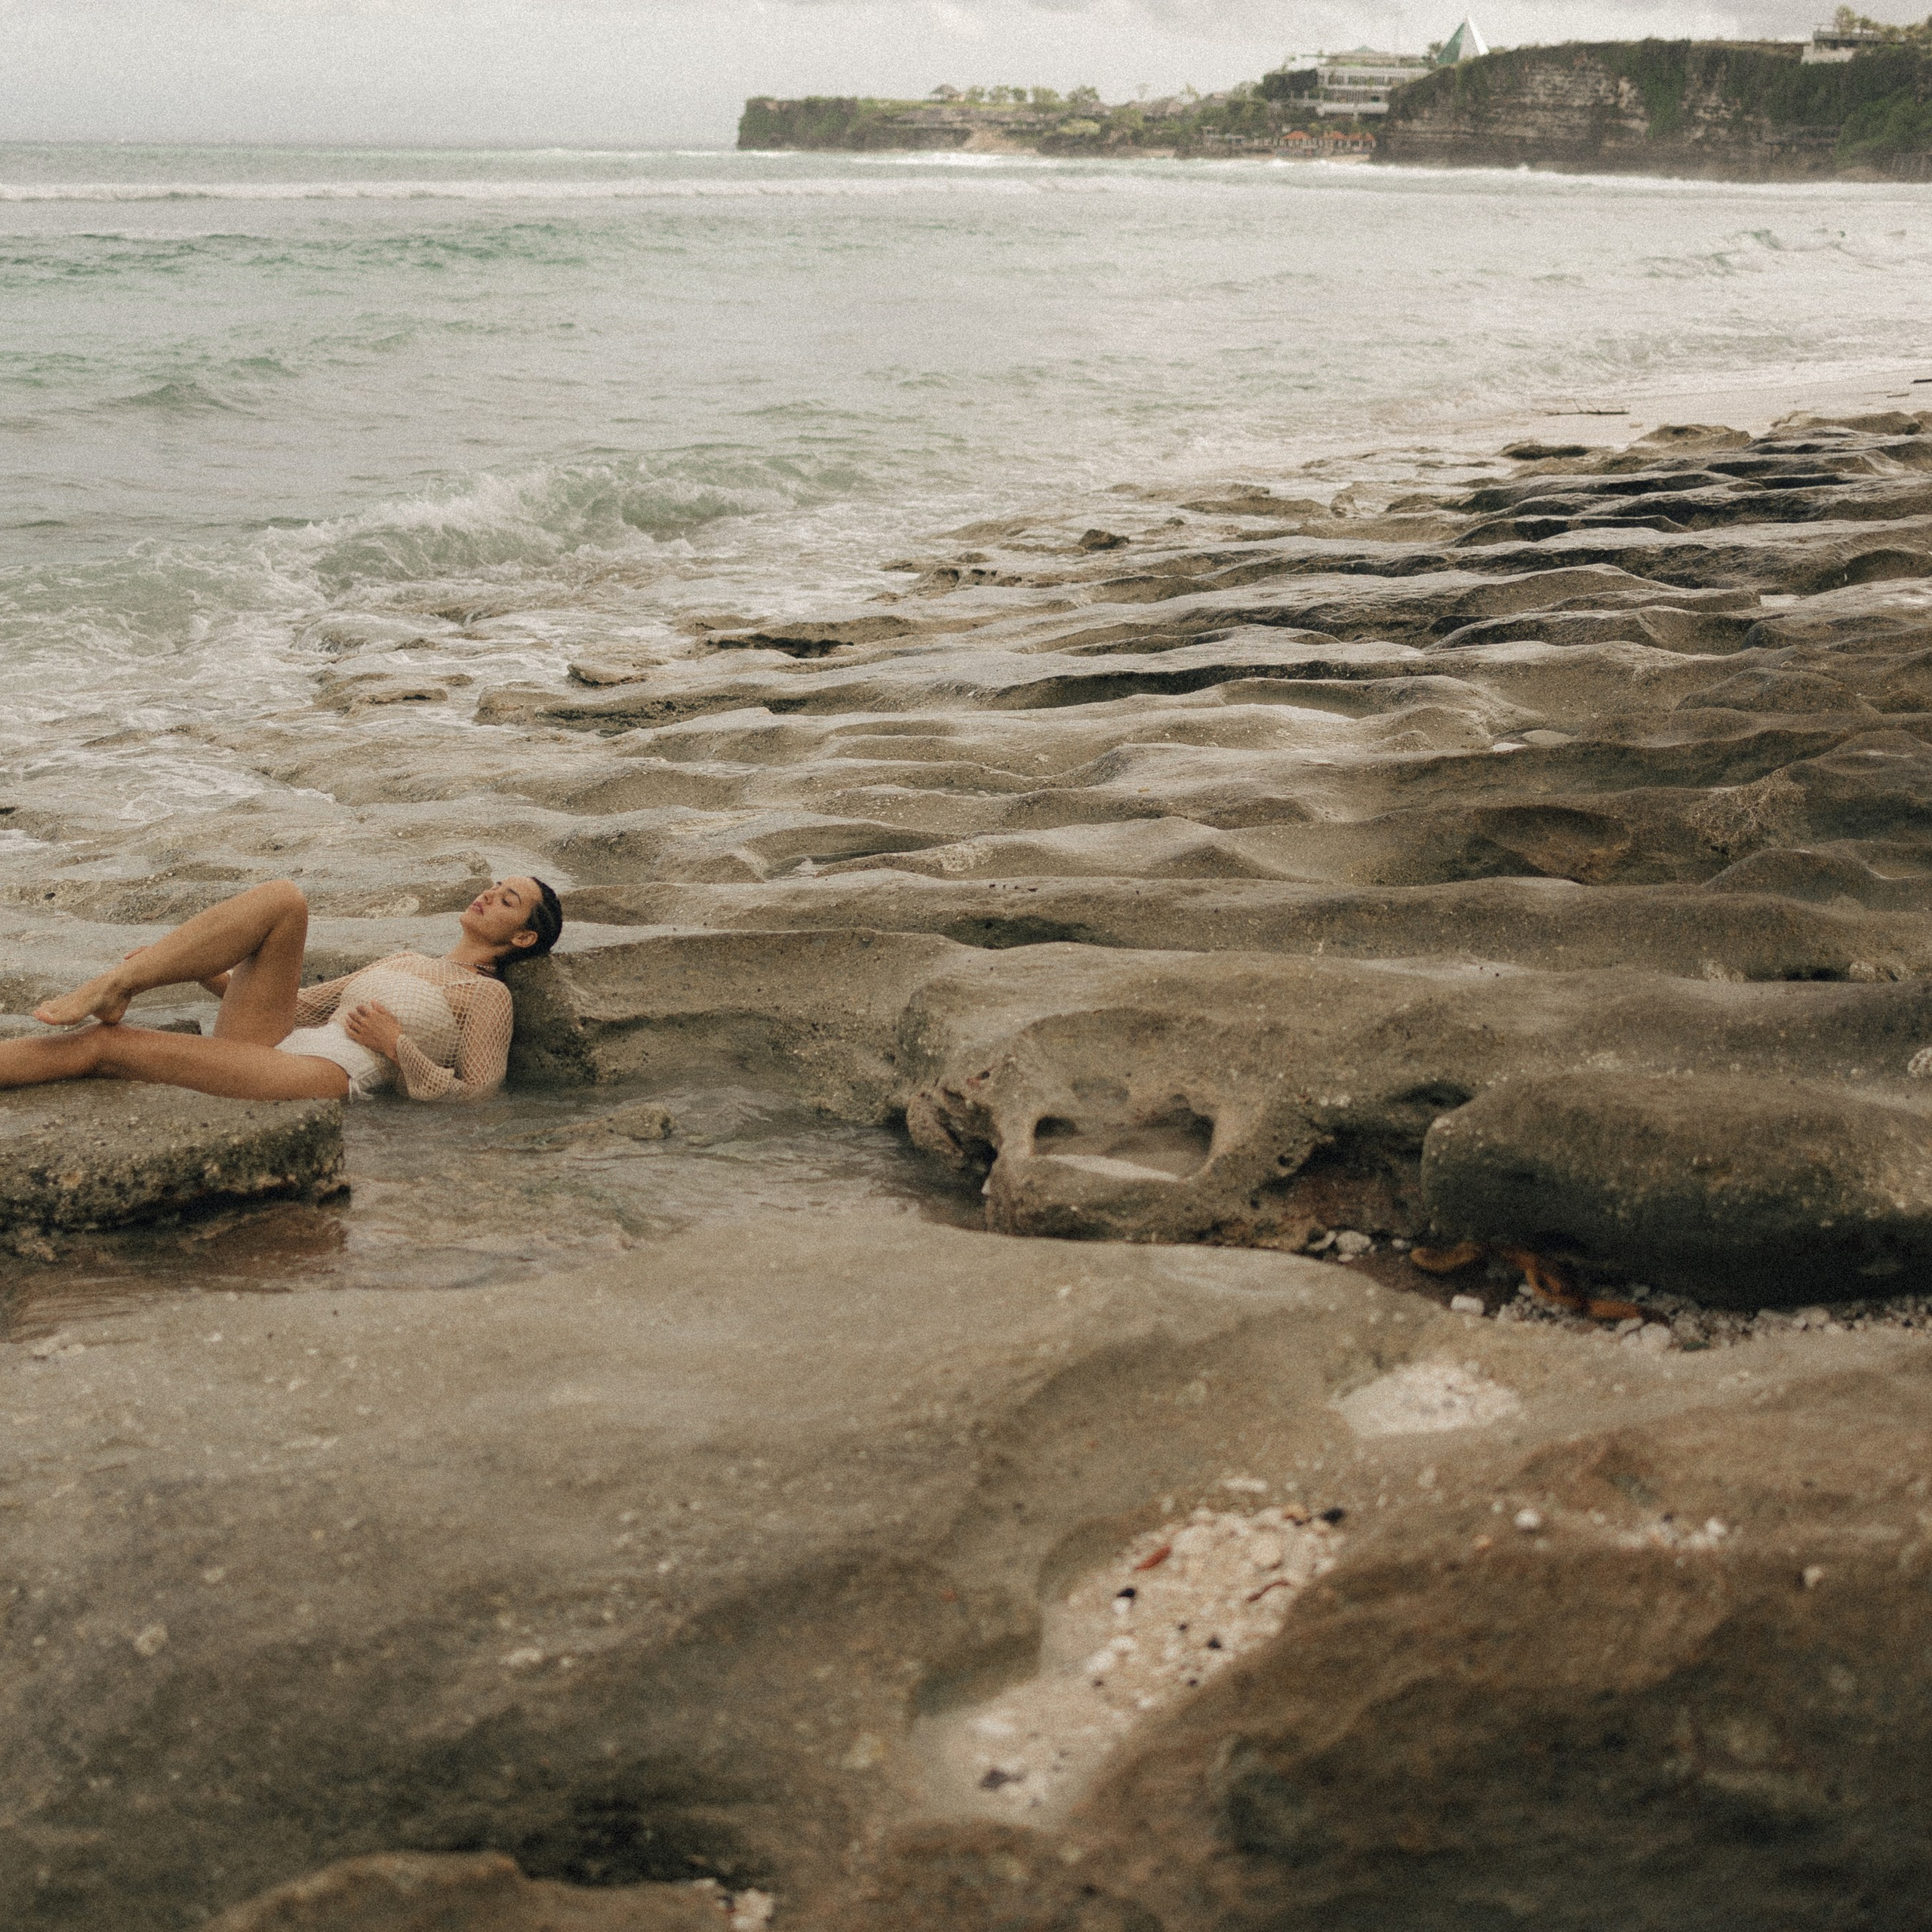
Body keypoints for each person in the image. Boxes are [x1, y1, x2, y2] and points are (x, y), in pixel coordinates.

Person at [0, 877, 561, 1104]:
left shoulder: (490, 997)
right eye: (494, 886)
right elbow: (296, 1009)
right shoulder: (407, 958)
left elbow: (481, 1096)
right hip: (280, 1043)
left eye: (507, 901)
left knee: (105, 1046)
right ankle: (119, 984)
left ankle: (111, 996)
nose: (488, 895)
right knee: (285, 899)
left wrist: (397, 1048)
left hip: (326, 1074)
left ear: (523, 936)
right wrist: (205, 974)